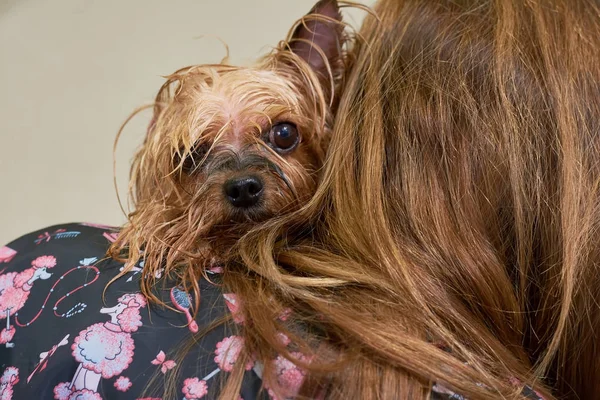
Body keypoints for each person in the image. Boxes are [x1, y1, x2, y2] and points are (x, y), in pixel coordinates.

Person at [2, 0, 599, 399]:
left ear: (333, 117)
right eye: (196, 158)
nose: (242, 177)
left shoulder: (54, 275)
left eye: (280, 136)